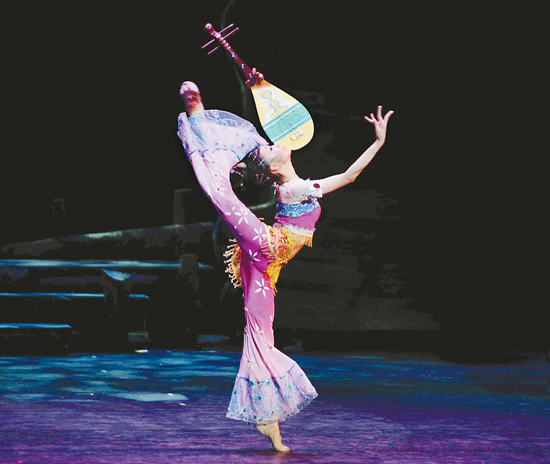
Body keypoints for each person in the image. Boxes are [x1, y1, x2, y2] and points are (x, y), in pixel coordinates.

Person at [177, 77, 393, 452]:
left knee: (260, 332)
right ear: (276, 166)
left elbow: (280, 124)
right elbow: (350, 175)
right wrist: (378, 142)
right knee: (225, 201)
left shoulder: (290, 183)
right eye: (272, 149)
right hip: (267, 246)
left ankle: (268, 420)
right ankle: (197, 117)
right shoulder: (295, 188)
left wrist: (260, 84)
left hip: (266, 265)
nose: (276, 145)